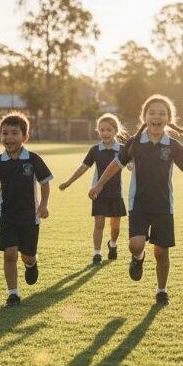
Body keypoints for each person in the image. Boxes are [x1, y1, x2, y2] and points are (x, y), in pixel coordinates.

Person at [88, 94, 183, 306]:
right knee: (136, 244)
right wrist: (99, 184)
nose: (157, 116)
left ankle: (161, 290)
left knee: (162, 253)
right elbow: (116, 165)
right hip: (139, 205)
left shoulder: (172, 146)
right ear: (144, 117)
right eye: (152, 112)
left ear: (169, 119)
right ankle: (138, 258)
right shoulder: (134, 143)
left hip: (163, 206)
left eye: (162, 113)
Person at [0, 111, 52, 308]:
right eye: (5, 133)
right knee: (10, 253)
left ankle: (31, 264)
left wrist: (44, 204)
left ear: (25, 137)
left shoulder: (33, 159)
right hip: (6, 214)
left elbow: (45, 182)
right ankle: (13, 294)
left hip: (30, 215)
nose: (9, 137)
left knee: (27, 255)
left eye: (14, 133)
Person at [59, 113, 128, 265]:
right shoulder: (95, 150)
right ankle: (97, 253)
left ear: (115, 131)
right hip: (98, 193)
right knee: (99, 223)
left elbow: (131, 166)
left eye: (108, 130)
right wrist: (69, 182)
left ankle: (113, 244)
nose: (105, 133)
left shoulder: (123, 150)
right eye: (102, 130)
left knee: (115, 227)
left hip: (116, 193)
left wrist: (134, 167)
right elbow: (83, 168)